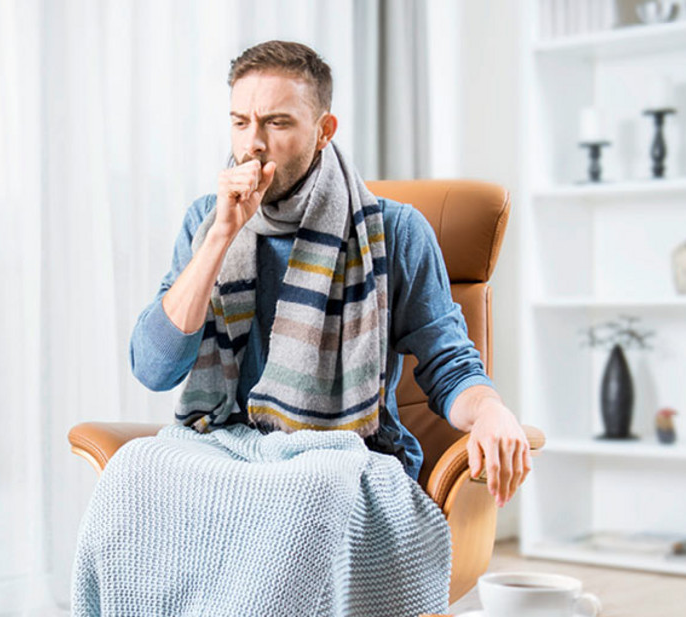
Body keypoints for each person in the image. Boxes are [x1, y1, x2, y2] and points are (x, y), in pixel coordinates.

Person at [128, 40, 530, 508]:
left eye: (276, 123)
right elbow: (153, 369)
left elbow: (449, 363)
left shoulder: (394, 231)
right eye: (240, 123)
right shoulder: (206, 221)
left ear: (324, 131)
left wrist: (491, 412)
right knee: (134, 473)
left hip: (342, 459)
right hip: (228, 453)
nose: (252, 143)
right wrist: (219, 238)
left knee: (304, 498)